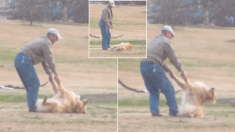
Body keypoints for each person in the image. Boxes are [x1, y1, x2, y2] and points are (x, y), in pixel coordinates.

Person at [140, 25, 187, 117]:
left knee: (153, 91)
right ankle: (174, 111)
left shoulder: (154, 40)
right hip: (153, 66)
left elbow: (155, 58)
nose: (171, 38)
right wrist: (181, 71)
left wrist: (169, 70)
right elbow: (173, 58)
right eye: (171, 35)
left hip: (143, 66)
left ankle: (154, 111)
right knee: (169, 88)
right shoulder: (166, 41)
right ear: (167, 33)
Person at [14, 28, 62, 112]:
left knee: (30, 85)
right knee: (34, 83)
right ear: (51, 36)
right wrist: (56, 74)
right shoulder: (46, 42)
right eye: (56, 37)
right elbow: (49, 58)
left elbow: (44, 61)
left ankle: (32, 105)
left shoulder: (43, 41)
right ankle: (33, 106)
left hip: (19, 59)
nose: (56, 40)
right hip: (24, 60)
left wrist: (50, 74)